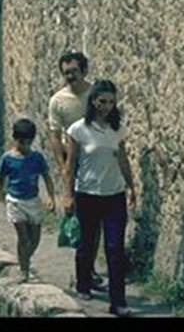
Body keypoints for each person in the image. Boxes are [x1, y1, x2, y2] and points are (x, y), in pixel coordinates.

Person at [61, 80, 137, 317]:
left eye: (111, 102)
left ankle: (118, 301)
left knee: (115, 248)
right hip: (88, 195)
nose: (106, 106)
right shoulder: (78, 130)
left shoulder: (118, 129)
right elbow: (70, 165)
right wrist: (67, 195)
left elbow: (122, 158)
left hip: (114, 195)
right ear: (93, 101)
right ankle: (83, 283)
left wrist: (132, 186)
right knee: (87, 243)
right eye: (102, 101)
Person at [47, 49, 104, 291]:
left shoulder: (95, 95)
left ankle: (89, 268)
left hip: (98, 163)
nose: (70, 76)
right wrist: (63, 169)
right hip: (75, 163)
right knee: (83, 220)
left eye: (74, 72)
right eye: (66, 72)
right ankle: (84, 271)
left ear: (84, 71)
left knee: (97, 220)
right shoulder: (58, 101)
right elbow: (54, 136)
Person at [0, 118, 57, 283]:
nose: (25, 145)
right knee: (23, 236)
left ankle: (24, 259)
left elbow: (47, 177)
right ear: (15, 139)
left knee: (35, 239)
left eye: (29, 142)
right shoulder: (7, 158)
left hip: (33, 201)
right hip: (15, 201)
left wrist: (51, 197)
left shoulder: (37, 158)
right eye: (22, 142)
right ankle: (24, 269)